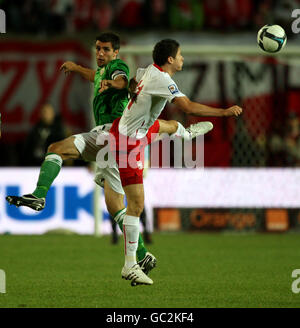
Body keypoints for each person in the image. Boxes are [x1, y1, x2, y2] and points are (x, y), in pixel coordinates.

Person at [6, 33, 213, 285]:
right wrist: (76, 67)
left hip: (114, 137)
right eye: (97, 49)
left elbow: (122, 80)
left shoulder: (118, 67)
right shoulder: (104, 72)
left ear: (116, 52)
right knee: (105, 194)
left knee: (123, 200)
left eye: (105, 49)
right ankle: (40, 196)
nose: (100, 53)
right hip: (104, 137)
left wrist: (113, 85)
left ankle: (137, 258)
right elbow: (96, 77)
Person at [105, 39, 242, 286]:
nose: (182, 59)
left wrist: (135, 92)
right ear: (170, 59)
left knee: (168, 125)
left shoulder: (148, 70)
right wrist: (224, 112)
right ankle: (129, 265)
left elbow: (136, 79)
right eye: (180, 55)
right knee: (136, 205)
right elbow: (187, 107)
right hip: (127, 142)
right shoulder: (162, 79)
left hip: (130, 130)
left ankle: (185, 133)